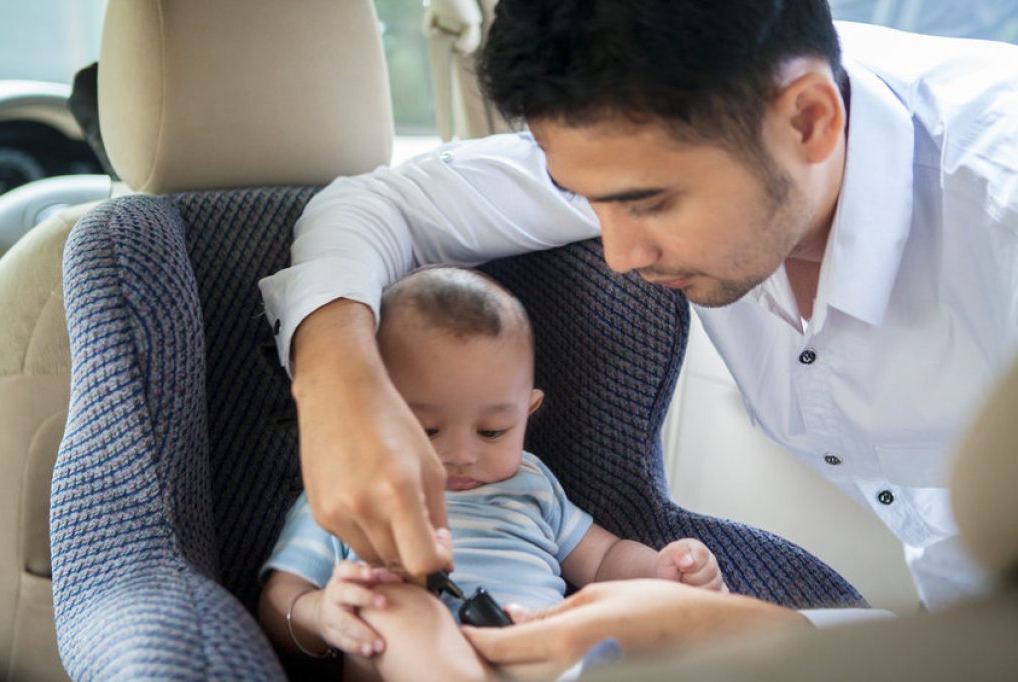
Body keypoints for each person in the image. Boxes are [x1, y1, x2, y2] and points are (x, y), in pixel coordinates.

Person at [257, 0, 1018, 669]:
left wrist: (721, 627)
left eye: (650, 205)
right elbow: (372, 207)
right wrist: (336, 389)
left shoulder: (997, 205)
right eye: (588, 202)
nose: (620, 256)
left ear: (810, 121)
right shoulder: (651, 117)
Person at [257, 266, 730, 681]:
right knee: (396, 606)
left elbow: (603, 560)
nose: (460, 454)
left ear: (529, 412)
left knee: (599, 623)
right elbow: (279, 600)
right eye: (426, 429)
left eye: (492, 431)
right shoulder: (352, 486)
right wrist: (324, 614)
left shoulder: (532, 482)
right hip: (409, 658)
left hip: (539, 650)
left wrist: (660, 571)